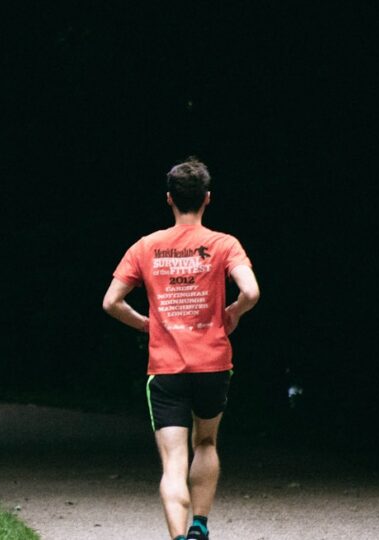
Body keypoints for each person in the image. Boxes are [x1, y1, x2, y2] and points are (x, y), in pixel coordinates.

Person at [101, 157, 260, 540]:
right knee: (205, 442)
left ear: (169, 199)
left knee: (173, 463)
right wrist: (234, 312)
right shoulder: (224, 244)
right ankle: (200, 527)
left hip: (166, 368)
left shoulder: (145, 247)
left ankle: (178, 537)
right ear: (207, 199)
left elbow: (110, 302)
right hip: (213, 365)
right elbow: (251, 291)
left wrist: (144, 323)